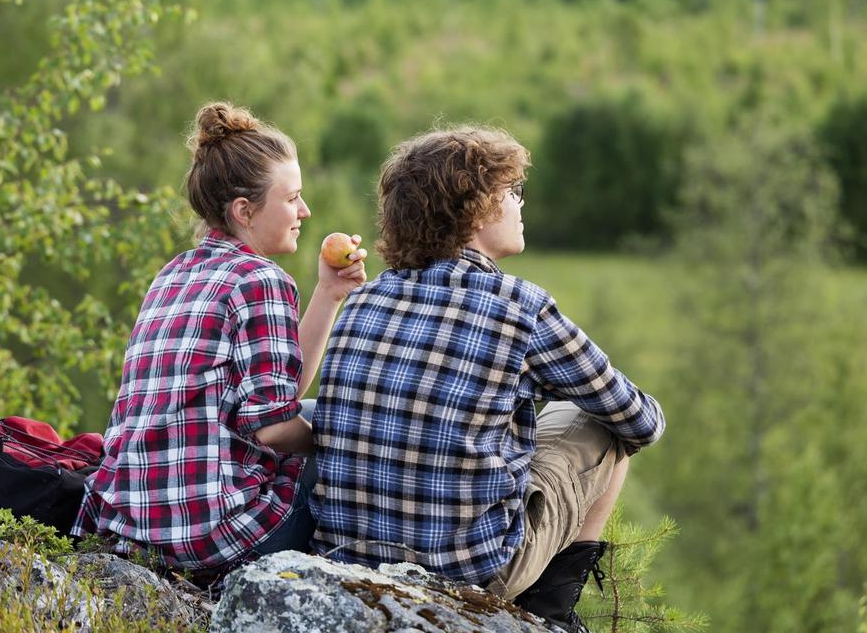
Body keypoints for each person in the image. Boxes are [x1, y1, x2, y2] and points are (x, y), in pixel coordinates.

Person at [309, 126, 665, 632]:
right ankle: (550, 611)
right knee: (601, 422)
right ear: (474, 211)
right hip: (470, 574)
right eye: (511, 192)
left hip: (346, 562)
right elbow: (641, 421)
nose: (521, 204)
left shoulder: (362, 299)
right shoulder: (521, 307)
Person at [72, 102, 367, 577]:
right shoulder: (260, 280)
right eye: (292, 198)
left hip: (129, 527)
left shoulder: (173, 273)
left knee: (309, 416)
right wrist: (346, 442)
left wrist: (329, 293)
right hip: (207, 537)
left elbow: (280, 394)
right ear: (244, 211)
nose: (305, 211)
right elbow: (273, 428)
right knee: (341, 428)